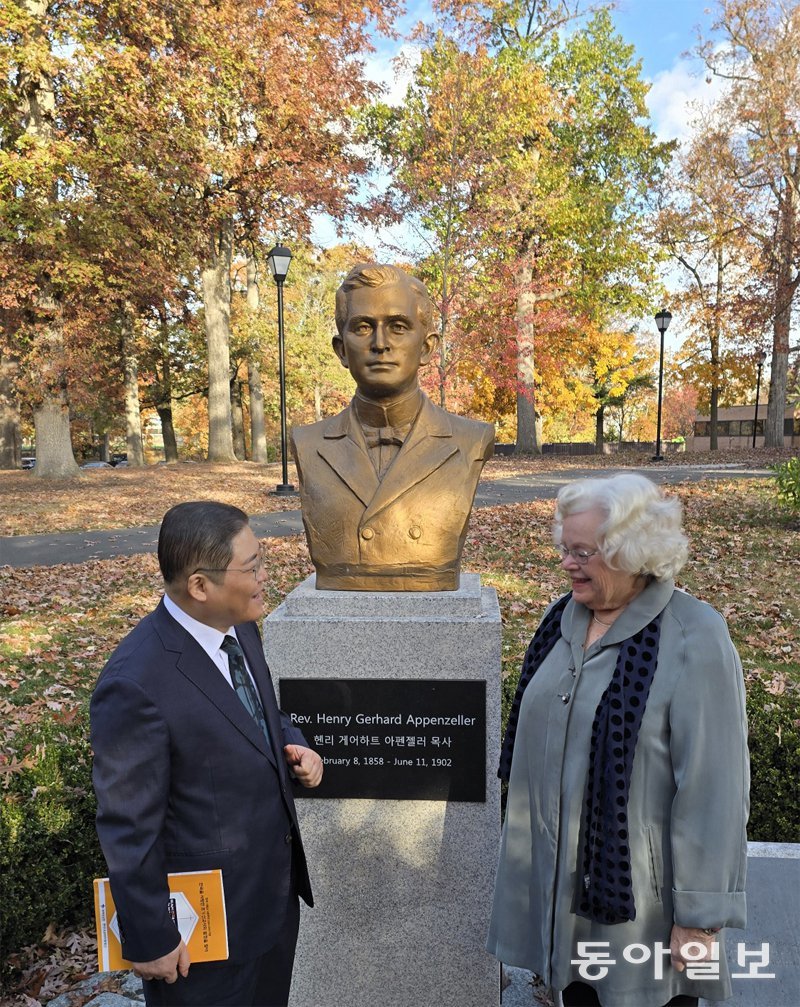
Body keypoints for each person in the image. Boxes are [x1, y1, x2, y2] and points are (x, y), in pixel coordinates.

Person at [488, 473, 749, 1007]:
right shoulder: (559, 619)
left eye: (582, 551)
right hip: (565, 908)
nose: (567, 563)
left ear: (633, 551)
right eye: (565, 548)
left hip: (643, 919)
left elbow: (714, 791)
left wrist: (699, 923)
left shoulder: (694, 635)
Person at [91, 501, 323, 1007]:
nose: (266, 575)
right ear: (200, 586)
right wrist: (150, 935)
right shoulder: (135, 683)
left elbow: (259, 714)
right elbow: (128, 825)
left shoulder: (238, 626)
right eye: (253, 566)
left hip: (270, 904)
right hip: (201, 938)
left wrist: (297, 743)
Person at [290, 262, 494, 591]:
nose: (380, 343)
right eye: (362, 327)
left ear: (427, 347)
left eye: (398, 326)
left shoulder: (471, 440)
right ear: (341, 350)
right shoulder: (309, 443)